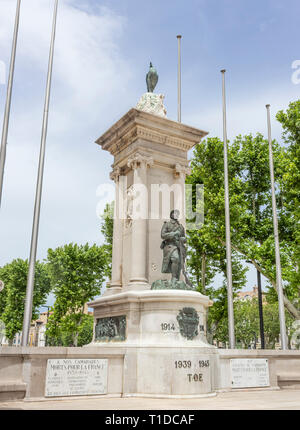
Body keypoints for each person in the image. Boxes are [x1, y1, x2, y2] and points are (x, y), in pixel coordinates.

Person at [160, 209, 186, 281]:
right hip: (169, 246)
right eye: (175, 214)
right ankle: (174, 278)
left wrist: (182, 239)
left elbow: (184, 238)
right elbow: (163, 235)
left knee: (179, 263)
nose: (176, 215)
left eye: (178, 214)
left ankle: (176, 278)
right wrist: (173, 234)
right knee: (175, 258)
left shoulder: (180, 227)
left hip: (178, 246)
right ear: (171, 215)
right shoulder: (167, 224)